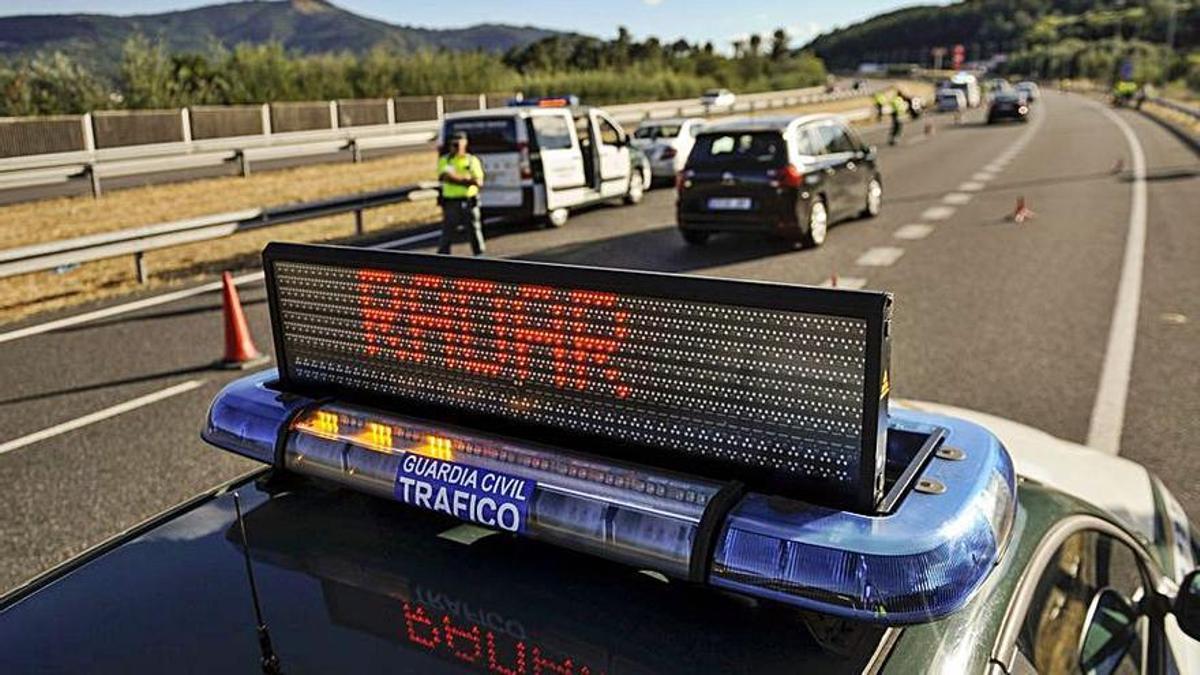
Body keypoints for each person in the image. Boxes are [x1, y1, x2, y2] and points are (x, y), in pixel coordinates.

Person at [437, 131, 486, 256]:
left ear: (465, 144)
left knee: (474, 230)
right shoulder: (445, 160)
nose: (457, 147)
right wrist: (466, 179)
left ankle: (480, 257)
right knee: (447, 232)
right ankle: (443, 258)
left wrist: (457, 178)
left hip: (469, 201)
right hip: (451, 202)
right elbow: (445, 177)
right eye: (455, 144)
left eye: (460, 144)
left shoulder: (472, 160)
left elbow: (478, 181)